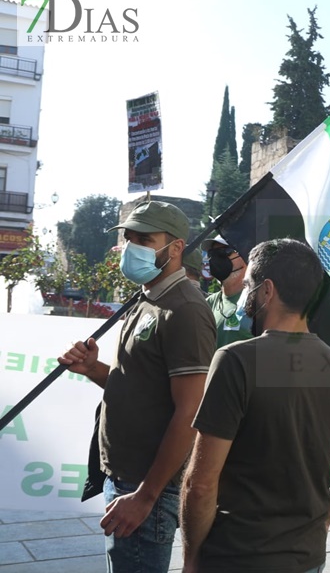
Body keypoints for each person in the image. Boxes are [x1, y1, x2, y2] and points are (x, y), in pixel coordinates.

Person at [180, 238, 330, 573]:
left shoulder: (235, 360)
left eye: (250, 284)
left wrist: (192, 557)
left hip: (237, 556)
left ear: (267, 291)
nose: (246, 293)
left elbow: (201, 483)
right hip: (307, 557)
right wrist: (326, 516)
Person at [58, 201, 217, 573]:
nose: (133, 248)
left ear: (176, 248)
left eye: (145, 239)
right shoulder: (147, 299)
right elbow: (139, 386)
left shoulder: (185, 310)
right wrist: (92, 368)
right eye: (129, 238)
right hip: (125, 478)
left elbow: (191, 412)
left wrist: (146, 495)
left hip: (146, 488)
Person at [201, 235, 253, 347]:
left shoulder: (259, 302)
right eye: (212, 254)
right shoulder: (208, 304)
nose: (215, 259)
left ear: (245, 255)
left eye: (223, 252)